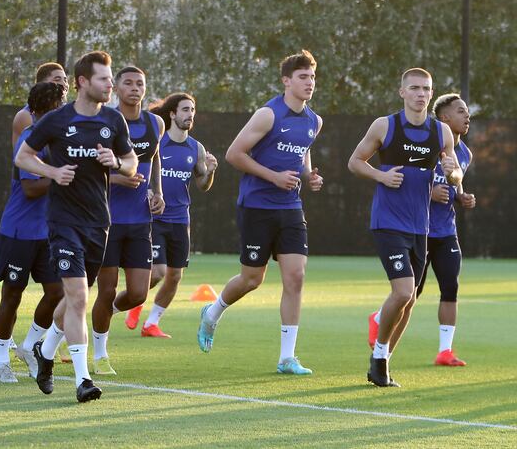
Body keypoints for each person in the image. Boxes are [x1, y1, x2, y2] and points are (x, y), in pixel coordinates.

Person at [15, 50, 137, 403]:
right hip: (63, 221)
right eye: (104, 79)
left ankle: (45, 352)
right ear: (83, 82)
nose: (110, 84)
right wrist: (53, 172)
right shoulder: (56, 120)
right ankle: (83, 380)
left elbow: (130, 162)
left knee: (73, 299)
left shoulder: (114, 121)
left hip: (99, 223)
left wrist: (116, 161)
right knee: (80, 297)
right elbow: (23, 156)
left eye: (110, 78)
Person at [196, 50, 323, 376]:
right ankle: (213, 311)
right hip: (257, 206)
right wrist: (274, 177)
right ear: (286, 81)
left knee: (296, 277)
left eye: (312, 77)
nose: (309, 83)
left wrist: (309, 175)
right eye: (303, 77)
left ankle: (286, 358)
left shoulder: (314, 121)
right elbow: (234, 154)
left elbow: (304, 153)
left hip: (291, 208)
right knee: (252, 279)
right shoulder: (268, 114)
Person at [348, 68, 462, 387]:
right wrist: (381, 176)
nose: (420, 94)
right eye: (414, 88)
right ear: (402, 92)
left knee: (409, 299)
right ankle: (380, 355)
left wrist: (453, 174)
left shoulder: (441, 132)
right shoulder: (385, 125)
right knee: (402, 291)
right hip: (387, 221)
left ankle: (381, 361)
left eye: (426, 88)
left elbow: (455, 177)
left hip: (420, 226)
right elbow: (355, 161)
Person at [367, 94, 474, 367]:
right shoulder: (426, 138)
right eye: (461, 111)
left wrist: (460, 193)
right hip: (413, 225)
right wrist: (430, 193)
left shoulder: (463, 153)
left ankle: (444, 351)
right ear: (445, 118)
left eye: (467, 112)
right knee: (409, 294)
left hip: (444, 230)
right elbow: (411, 182)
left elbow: (456, 181)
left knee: (450, 286)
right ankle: (380, 325)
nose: (467, 116)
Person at [90, 66, 165, 375]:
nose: (135, 88)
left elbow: (154, 157)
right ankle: (99, 352)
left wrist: (156, 191)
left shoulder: (155, 123)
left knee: (138, 293)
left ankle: (98, 319)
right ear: (116, 89)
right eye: (128, 83)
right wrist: (117, 180)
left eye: (140, 84)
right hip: (106, 219)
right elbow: (86, 169)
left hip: (140, 221)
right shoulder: (102, 122)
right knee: (106, 291)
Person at [125, 93, 217, 336]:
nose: (190, 115)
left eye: (192, 110)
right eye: (185, 110)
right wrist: (148, 194)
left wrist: (211, 171)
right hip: (155, 218)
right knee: (158, 272)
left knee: (175, 276)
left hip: (180, 220)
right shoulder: (158, 141)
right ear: (173, 114)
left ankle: (151, 323)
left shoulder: (196, 148)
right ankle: (136, 300)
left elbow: (203, 184)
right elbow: (142, 172)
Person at [0, 82, 66, 383]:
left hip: (48, 233)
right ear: (40, 111)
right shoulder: (30, 138)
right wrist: (63, 176)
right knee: (12, 295)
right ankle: (0, 360)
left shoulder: (63, 139)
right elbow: (31, 188)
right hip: (19, 231)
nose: (63, 109)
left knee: (57, 292)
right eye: (58, 105)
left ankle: (28, 346)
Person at [11, 62, 68, 146]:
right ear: (41, 84)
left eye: (65, 80)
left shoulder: (67, 111)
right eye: (57, 79)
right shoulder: (26, 116)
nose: (64, 84)